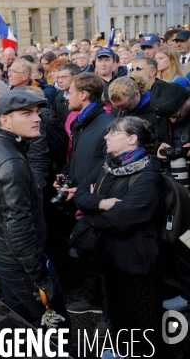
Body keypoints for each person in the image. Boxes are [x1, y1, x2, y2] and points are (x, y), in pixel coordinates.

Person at [0, 90, 71, 331]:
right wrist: (40, 276)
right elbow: (18, 228)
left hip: (2, 252)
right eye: (26, 113)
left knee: (19, 317)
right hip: (20, 262)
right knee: (58, 328)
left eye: (37, 112)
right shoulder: (11, 162)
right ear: (5, 120)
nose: (36, 118)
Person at [74, 117, 162, 357]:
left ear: (132, 139)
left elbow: (121, 218)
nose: (106, 137)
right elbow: (81, 193)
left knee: (142, 318)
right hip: (108, 254)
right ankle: (123, 350)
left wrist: (91, 214)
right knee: (117, 311)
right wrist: (101, 202)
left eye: (113, 132)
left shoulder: (148, 175)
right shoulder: (107, 165)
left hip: (135, 260)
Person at [56, 72, 114, 337]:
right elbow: (80, 156)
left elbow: (109, 167)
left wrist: (84, 189)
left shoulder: (106, 123)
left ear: (83, 95)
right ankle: (91, 298)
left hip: (96, 201)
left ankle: (110, 313)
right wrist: (68, 176)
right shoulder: (82, 121)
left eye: (70, 90)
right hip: (80, 198)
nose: (65, 95)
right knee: (88, 252)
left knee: (105, 259)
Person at [151, 81, 190, 312]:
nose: (173, 121)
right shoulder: (165, 118)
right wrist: (158, 149)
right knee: (183, 243)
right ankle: (187, 293)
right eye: (169, 118)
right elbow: (154, 142)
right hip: (178, 195)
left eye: (176, 115)